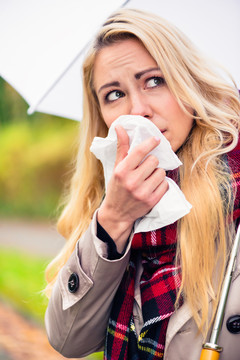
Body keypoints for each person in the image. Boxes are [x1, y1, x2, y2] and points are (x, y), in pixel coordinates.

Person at [44, 8, 240, 360]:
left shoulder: (235, 191)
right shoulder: (106, 200)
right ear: (101, 116)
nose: (138, 109)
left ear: (188, 83)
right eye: (114, 94)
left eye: (154, 80)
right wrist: (115, 220)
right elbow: (68, 339)